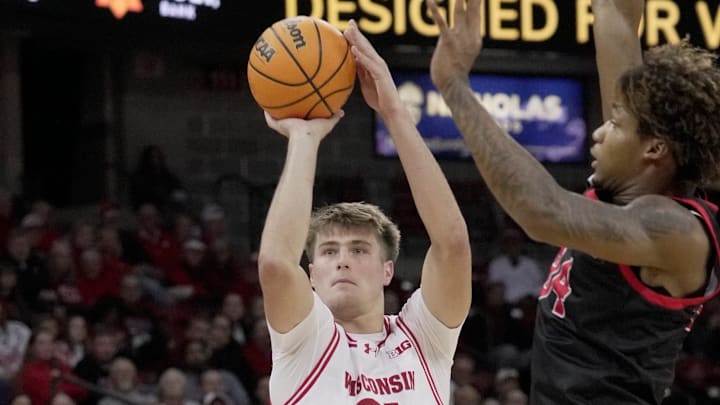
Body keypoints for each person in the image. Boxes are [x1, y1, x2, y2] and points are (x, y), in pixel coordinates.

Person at [424, 0, 720, 404]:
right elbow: (615, 13)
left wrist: (455, 85)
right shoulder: (631, 179)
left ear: (654, 149)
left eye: (615, 123)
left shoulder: (676, 231)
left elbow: (542, 211)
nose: (599, 132)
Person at [256, 18, 472, 404]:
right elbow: (274, 263)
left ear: (388, 269)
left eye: (358, 249)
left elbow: (452, 243)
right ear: (310, 275)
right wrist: (305, 138)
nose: (342, 261)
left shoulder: (424, 338)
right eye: (328, 251)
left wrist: (393, 112)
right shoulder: (304, 342)